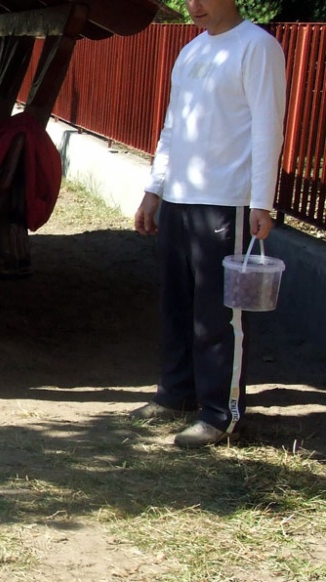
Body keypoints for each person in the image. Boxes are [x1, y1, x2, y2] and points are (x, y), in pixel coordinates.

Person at [132, 0, 286, 448]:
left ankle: (221, 412)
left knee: (217, 313)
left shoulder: (256, 47)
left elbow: (268, 127)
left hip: (226, 199)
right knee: (176, 304)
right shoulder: (192, 51)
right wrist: (155, 189)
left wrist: (262, 201)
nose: (193, 6)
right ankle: (176, 392)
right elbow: (172, 126)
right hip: (180, 196)